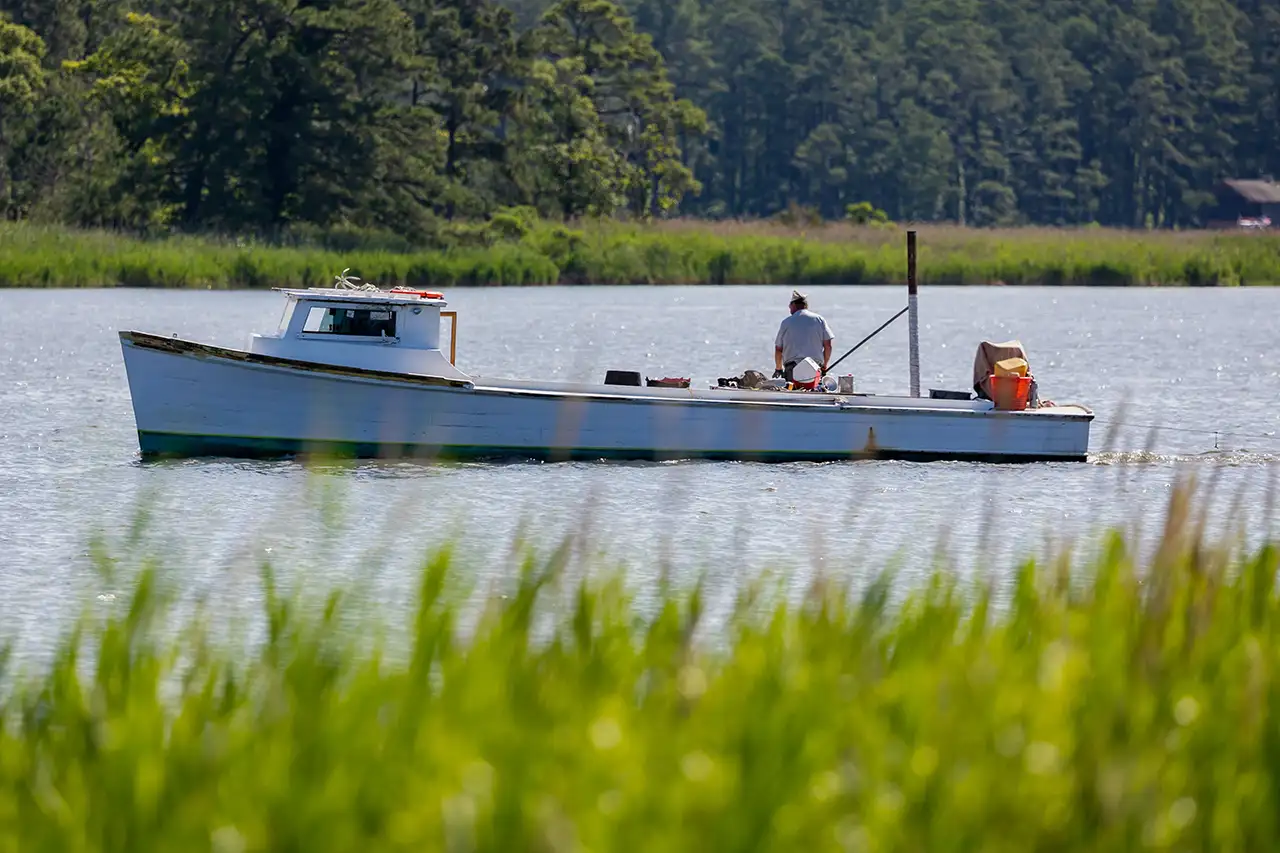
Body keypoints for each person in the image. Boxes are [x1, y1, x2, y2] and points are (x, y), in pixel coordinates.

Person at [773, 290, 834, 381]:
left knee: (791, 389)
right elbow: (828, 346)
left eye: (790, 306)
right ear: (805, 305)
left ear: (793, 305)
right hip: (815, 368)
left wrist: (778, 368)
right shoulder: (819, 320)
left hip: (792, 368)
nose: (789, 309)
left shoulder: (786, 322)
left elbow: (778, 349)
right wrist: (824, 366)